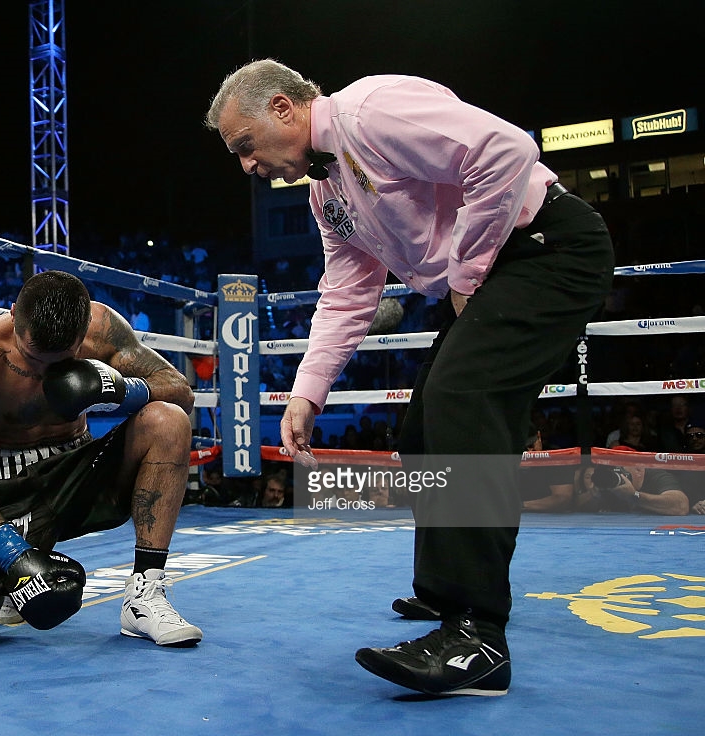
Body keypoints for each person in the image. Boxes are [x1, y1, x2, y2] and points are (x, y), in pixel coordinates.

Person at [207, 60, 614, 697]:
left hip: (548, 248)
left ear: (284, 108)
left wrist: (465, 275)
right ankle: (446, 595)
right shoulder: (325, 191)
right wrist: (308, 391)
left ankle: (477, 638)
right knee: (423, 430)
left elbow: (506, 149)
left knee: (461, 398)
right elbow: (346, 294)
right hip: (497, 272)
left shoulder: (372, 111)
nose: (246, 166)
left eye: (245, 145)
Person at [0, 270, 202, 651]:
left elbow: (181, 392)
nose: (42, 371)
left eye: (61, 361)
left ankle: (145, 594)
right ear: (15, 313)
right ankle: (10, 580)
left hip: (74, 472)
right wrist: (13, 555)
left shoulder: (102, 328)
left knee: (168, 420)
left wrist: (122, 390)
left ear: (85, 324)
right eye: (33, 356)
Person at [573, 448, 689, 515]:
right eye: (612, 470)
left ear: (638, 469)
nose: (615, 474)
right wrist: (595, 494)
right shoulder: (611, 483)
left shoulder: (657, 476)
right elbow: (576, 505)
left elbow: (681, 506)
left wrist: (634, 496)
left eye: (620, 470)